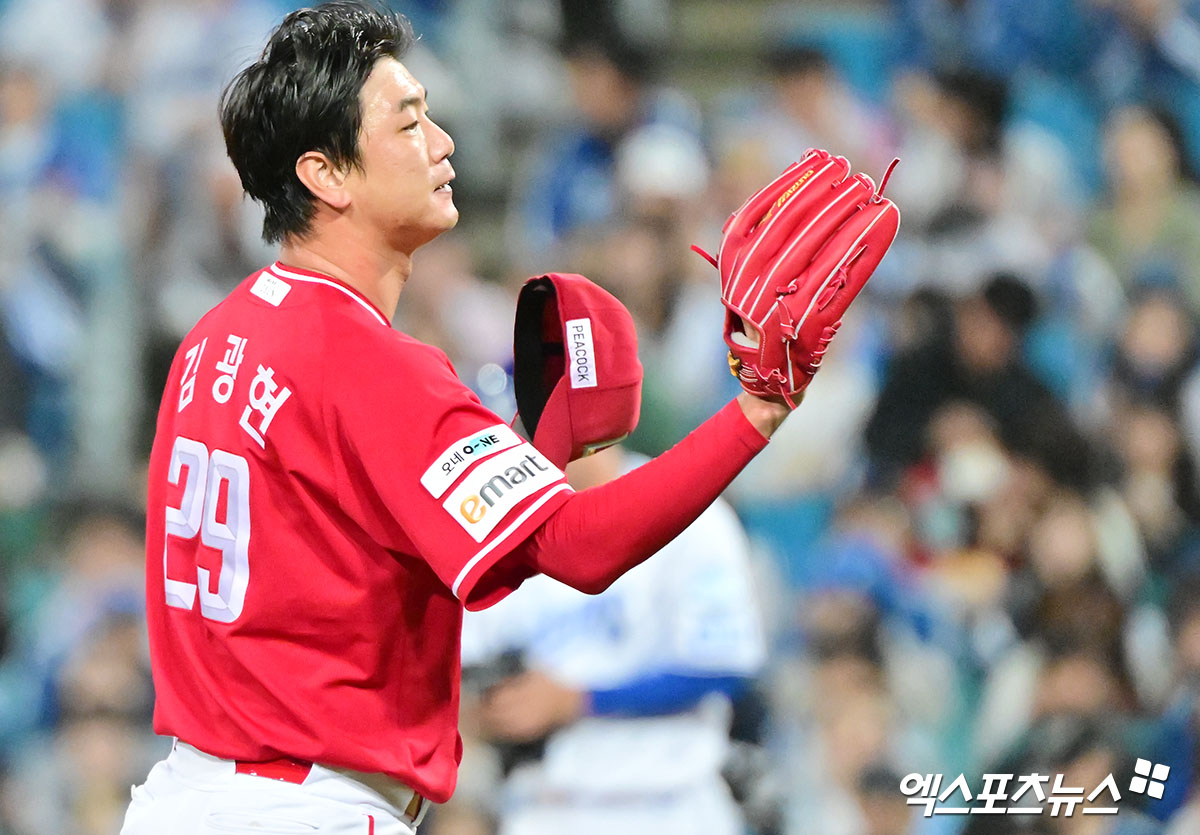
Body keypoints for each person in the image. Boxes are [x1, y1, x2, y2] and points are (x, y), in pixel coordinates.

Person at [120, 3, 795, 834]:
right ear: (325, 176)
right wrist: (756, 413)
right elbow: (578, 548)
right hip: (302, 806)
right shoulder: (367, 361)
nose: (442, 142)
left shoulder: (213, 337)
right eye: (407, 124)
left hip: (191, 795)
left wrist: (516, 461)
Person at [459, 445, 766, 835]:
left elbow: (723, 667)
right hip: (541, 808)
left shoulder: (687, 505)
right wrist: (488, 710)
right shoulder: (496, 526)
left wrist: (579, 700)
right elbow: (465, 673)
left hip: (665, 806)